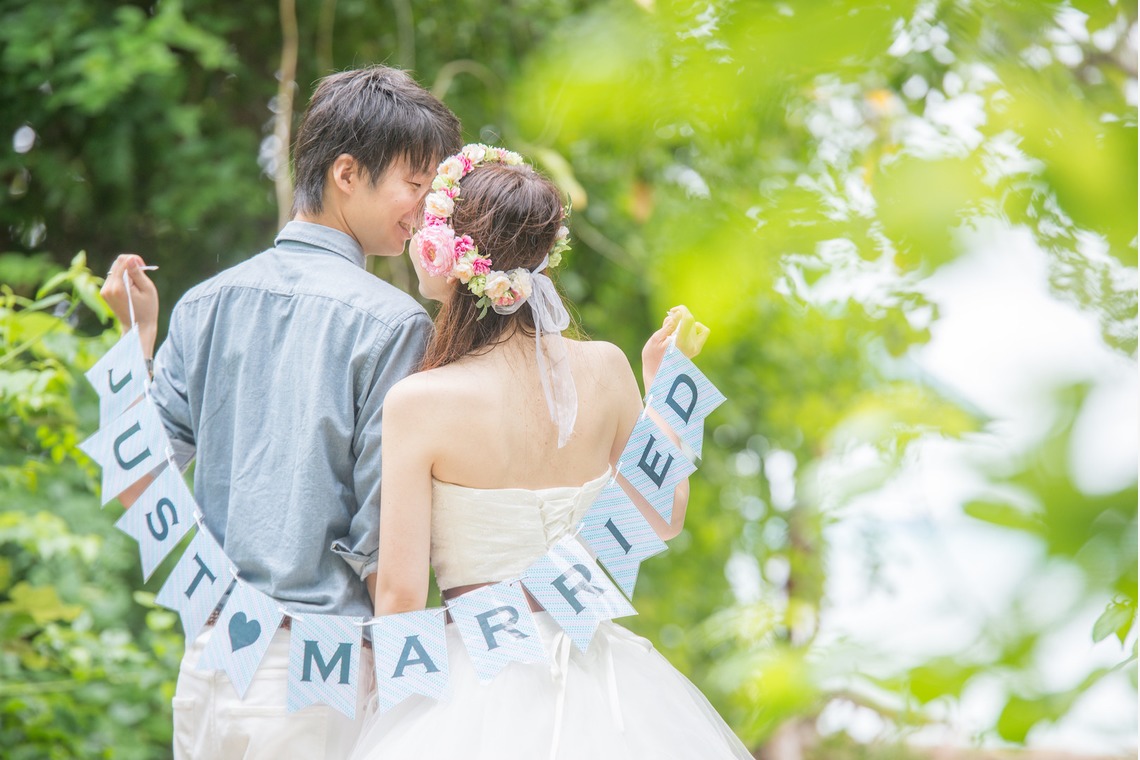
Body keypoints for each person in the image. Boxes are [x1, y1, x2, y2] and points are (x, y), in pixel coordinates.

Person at [99, 65, 461, 759]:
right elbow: (385, 538)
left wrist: (135, 341)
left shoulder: (203, 303)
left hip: (210, 662)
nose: (423, 210)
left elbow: (138, 481)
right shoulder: (395, 324)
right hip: (321, 674)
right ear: (348, 173)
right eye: (414, 185)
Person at [349, 144, 753, 759]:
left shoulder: (419, 402)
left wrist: (388, 716)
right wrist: (666, 389)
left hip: (469, 685)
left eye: (428, 226)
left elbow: (402, 597)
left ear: (452, 256)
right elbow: (664, 516)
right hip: (610, 678)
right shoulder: (610, 367)